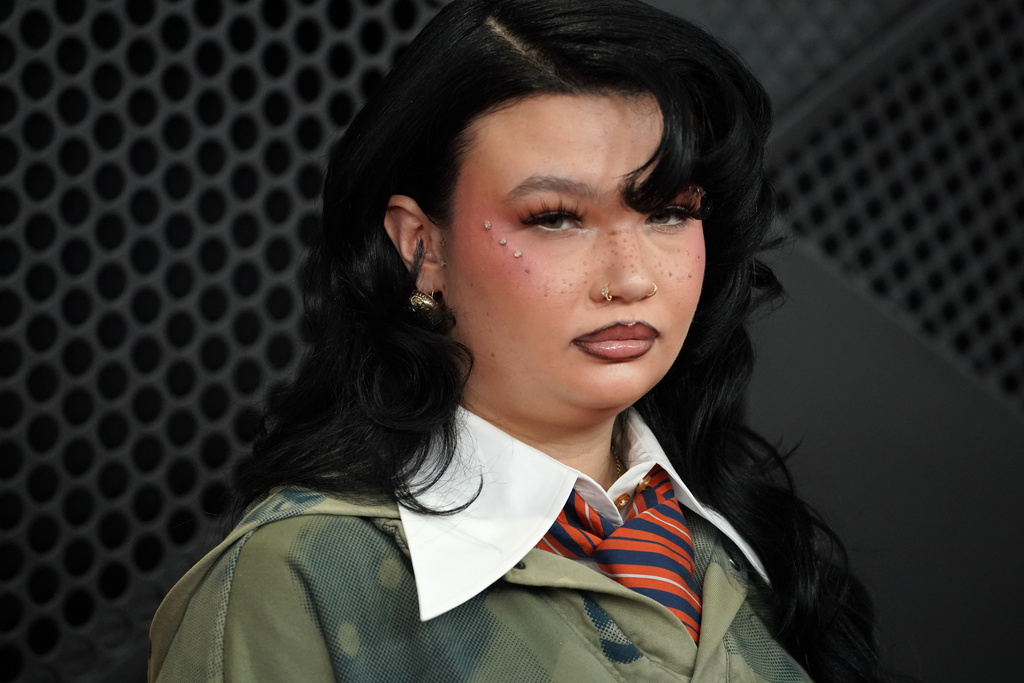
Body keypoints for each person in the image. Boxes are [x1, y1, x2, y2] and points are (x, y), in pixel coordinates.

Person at [149, 0, 889, 680]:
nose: (630, 279)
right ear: (421, 249)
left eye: (668, 211)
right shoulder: (295, 578)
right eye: (556, 217)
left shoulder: (749, 537)